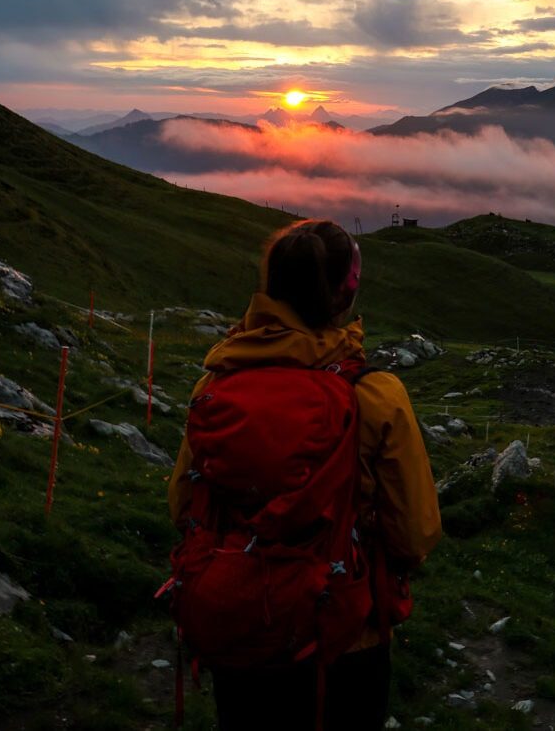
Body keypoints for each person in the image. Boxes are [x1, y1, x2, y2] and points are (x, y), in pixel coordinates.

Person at [167, 218, 442, 730]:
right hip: (343, 636)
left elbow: (183, 505)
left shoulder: (218, 381)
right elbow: (414, 534)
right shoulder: (375, 396)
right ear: (344, 297)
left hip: (238, 626)